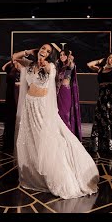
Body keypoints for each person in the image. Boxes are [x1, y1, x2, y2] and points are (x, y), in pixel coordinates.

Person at [12, 44, 99, 199]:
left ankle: (55, 175)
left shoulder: (50, 65)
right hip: (29, 104)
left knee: (46, 140)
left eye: (47, 51)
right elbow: (14, 57)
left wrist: (45, 66)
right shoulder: (30, 64)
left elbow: (49, 73)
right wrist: (29, 52)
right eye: (42, 49)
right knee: (32, 139)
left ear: (50, 55)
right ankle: (36, 174)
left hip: (42, 106)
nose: (43, 51)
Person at [56, 48, 82, 141]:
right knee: (58, 114)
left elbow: (70, 66)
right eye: (60, 55)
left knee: (64, 114)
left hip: (65, 91)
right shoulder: (59, 67)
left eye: (64, 55)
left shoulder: (70, 65)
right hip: (58, 92)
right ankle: (60, 136)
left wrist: (70, 59)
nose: (62, 56)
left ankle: (68, 137)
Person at [1, 58, 21, 152]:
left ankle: (15, 140)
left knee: (14, 115)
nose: (16, 62)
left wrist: (19, 63)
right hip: (9, 94)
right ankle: (8, 140)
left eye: (17, 60)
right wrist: (11, 61)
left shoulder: (21, 70)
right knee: (9, 116)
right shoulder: (11, 69)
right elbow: (3, 68)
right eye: (15, 61)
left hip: (16, 94)